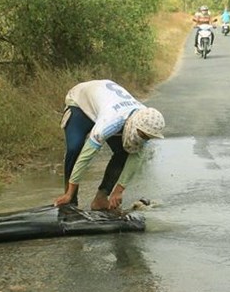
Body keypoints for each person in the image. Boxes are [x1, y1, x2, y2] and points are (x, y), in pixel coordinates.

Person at [54, 79, 165, 211]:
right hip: (80, 102)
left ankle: (100, 199)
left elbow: (136, 157)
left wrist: (118, 190)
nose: (143, 139)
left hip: (107, 104)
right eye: (142, 135)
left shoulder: (145, 120)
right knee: (75, 148)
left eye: (147, 138)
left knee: (124, 152)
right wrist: (69, 193)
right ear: (135, 125)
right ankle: (70, 199)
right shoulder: (111, 122)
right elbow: (86, 156)